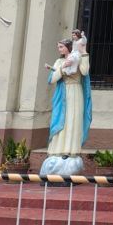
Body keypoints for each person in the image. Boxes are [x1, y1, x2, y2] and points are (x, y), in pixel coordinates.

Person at [42, 38, 92, 169]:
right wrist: (62, 68)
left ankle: (71, 151)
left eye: (61, 47)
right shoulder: (59, 62)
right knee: (61, 121)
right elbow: (51, 79)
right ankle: (56, 151)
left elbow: (85, 71)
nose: (59, 49)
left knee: (73, 120)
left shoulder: (78, 58)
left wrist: (84, 52)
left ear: (68, 47)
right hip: (63, 94)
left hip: (76, 93)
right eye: (59, 47)